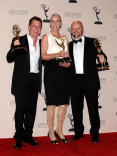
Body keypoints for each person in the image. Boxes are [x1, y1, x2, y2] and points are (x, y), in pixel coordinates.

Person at [6, 16, 42, 149]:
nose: (36, 29)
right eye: (34, 26)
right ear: (29, 26)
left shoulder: (42, 42)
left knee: (31, 109)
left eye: (39, 27)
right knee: (20, 109)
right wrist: (13, 49)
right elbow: (9, 58)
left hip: (35, 79)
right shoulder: (18, 40)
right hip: (21, 81)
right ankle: (19, 138)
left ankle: (28, 136)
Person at [69, 21, 107, 143]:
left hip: (90, 80)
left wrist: (102, 58)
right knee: (76, 109)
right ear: (71, 30)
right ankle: (78, 132)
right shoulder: (68, 45)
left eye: (78, 28)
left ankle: (95, 134)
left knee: (93, 108)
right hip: (74, 81)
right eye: (73, 28)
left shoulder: (93, 42)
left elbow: (102, 55)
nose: (76, 30)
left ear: (83, 29)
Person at [41, 13, 71, 144]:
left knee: (64, 102)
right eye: (52, 21)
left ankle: (59, 130)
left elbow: (68, 57)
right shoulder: (46, 37)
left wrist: (68, 63)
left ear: (61, 23)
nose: (54, 23)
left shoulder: (65, 38)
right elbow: (43, 56)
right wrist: (57, 55)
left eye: (57, 21)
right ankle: (51, 132)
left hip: (63, 71)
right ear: (50, 23)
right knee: (52, 103)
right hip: (51, 71)